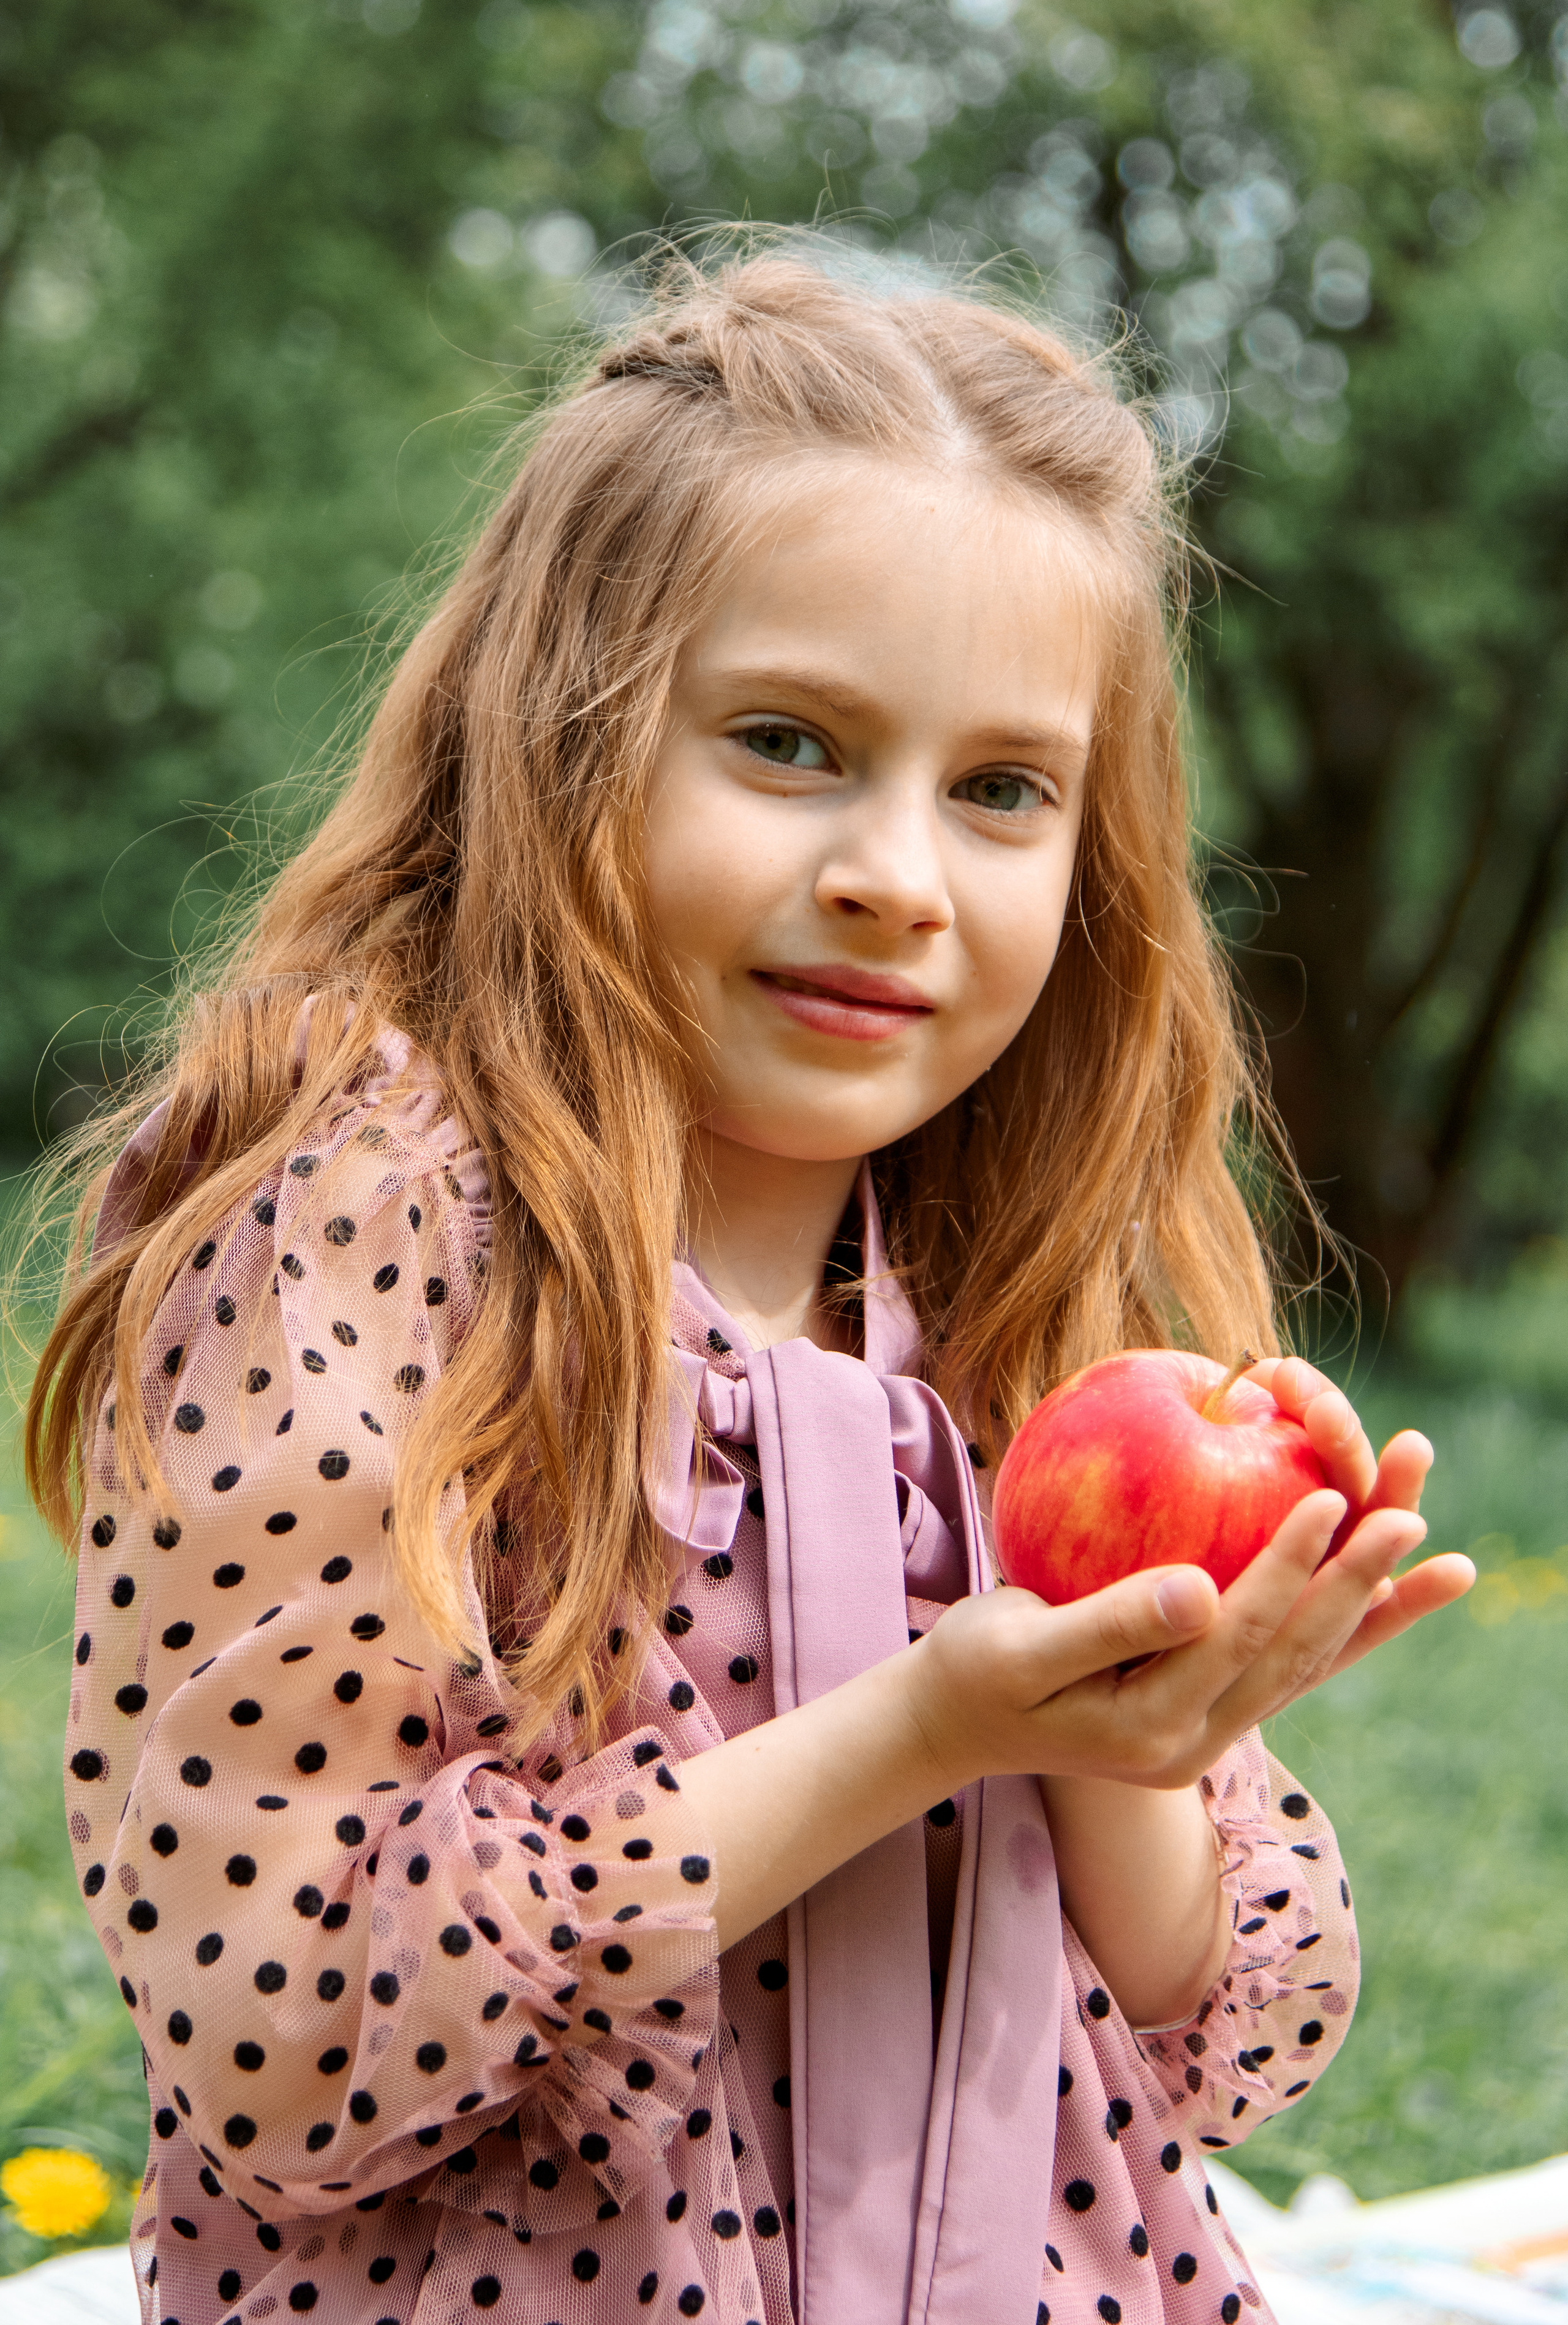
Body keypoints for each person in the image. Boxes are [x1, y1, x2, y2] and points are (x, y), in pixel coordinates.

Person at [29, 245, 1474, 2325]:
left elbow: (1222, 2032)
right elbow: (288, 2040)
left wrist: (1124, 1741)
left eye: (1000, 790)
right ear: (559, 738)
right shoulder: (362, 1236)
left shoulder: (1017, 1292)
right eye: (791, 742)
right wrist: (916, 1727)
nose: (900, 869)